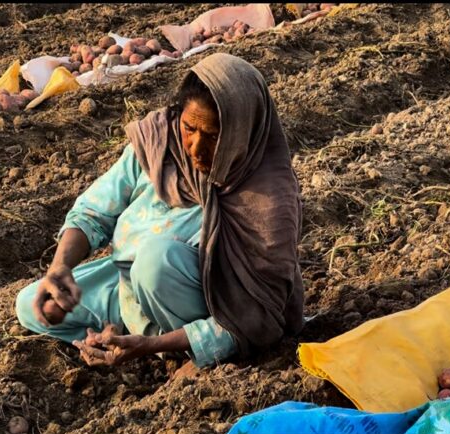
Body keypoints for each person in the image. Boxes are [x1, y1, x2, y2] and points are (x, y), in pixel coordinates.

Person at [15, 53, 304, 373]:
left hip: (211, 306)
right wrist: (60, 268)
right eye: (189, 128)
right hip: (124, 285)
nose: (195, 147)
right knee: (30, 305)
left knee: (155, 262)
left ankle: (173, 351)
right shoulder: (161, 143)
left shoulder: (268, 203)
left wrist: (152, 345)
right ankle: (116, 335)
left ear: (242, 132)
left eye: (212, 136)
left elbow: (260, 316)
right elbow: (94, 210)